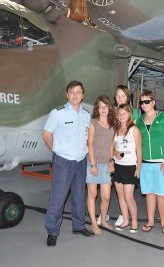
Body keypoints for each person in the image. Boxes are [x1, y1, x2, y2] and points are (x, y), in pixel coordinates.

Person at [42, 80, 94, 247]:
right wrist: (56, 151)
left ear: (83, 95)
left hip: (80, 161)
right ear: (67, 95)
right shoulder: (57, 113)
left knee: (79, 196)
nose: (75, 95)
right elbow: (46, 134)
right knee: (58, 198)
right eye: (72, 92)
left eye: (78, 92)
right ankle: (52, 231)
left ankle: (79, 226)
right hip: (63, 161)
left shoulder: (86, 115)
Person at [135, 90, 164, 234]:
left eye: (147, 101)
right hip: (145, 164)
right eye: (142, 102)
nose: (144, 104)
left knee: (162, 194)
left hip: (160, 163)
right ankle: (150, 220)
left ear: (153, 102)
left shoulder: (163, 117)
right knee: (149, 193)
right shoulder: (139, 121)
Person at [101, 85, 139, 227]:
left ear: (127, 97)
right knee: (113, 189)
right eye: (117, 96)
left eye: (123, 95)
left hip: (128, 161)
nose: (120, 98)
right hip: (113, 155)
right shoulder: (112, 112)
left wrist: (136, 163)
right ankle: (106, 213)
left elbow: (134, 138)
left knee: (127, 194)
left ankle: (126, 217)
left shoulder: (132, 112)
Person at [86, 95, 116, 236]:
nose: (103, 109)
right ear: (97, 108)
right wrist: (93, 164)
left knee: (106, 197)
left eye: (106, 106)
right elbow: (90, 144)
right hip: (93, 163)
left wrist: (111, 161)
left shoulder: (112, 125)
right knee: (93, 194)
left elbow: (111, 145)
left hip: (106, 165)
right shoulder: (93, 123)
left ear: (109, 108)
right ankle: (93, 223)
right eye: (100, 106)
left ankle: (103, 220)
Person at [112, 103, 142, 233]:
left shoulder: (134, 130)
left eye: (124, 113)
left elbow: (139, 150)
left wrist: (138, 167)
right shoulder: (116, 129)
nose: (122, 116)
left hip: (130, 167)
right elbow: (112, 147)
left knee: (128, 196)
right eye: (120, 113)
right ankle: (125, 220)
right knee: (120, 195)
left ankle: (134, 222)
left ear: (129, 114)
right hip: (118, 167)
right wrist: (115, 154)